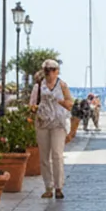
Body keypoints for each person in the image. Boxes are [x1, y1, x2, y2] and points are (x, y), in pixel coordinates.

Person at [29, 59, 73, 199]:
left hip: (58, 123)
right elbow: (32, 104)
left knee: (57, 154)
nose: (49, 72)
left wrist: (60, 102)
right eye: (47, 70)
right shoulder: (38, 86)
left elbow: (70, 103)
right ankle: (48, 187)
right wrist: (35, 110)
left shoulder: (62, 86)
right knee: (44, 157)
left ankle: (58, 187)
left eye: (52, 70)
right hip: (43, 123)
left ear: (57, 71)